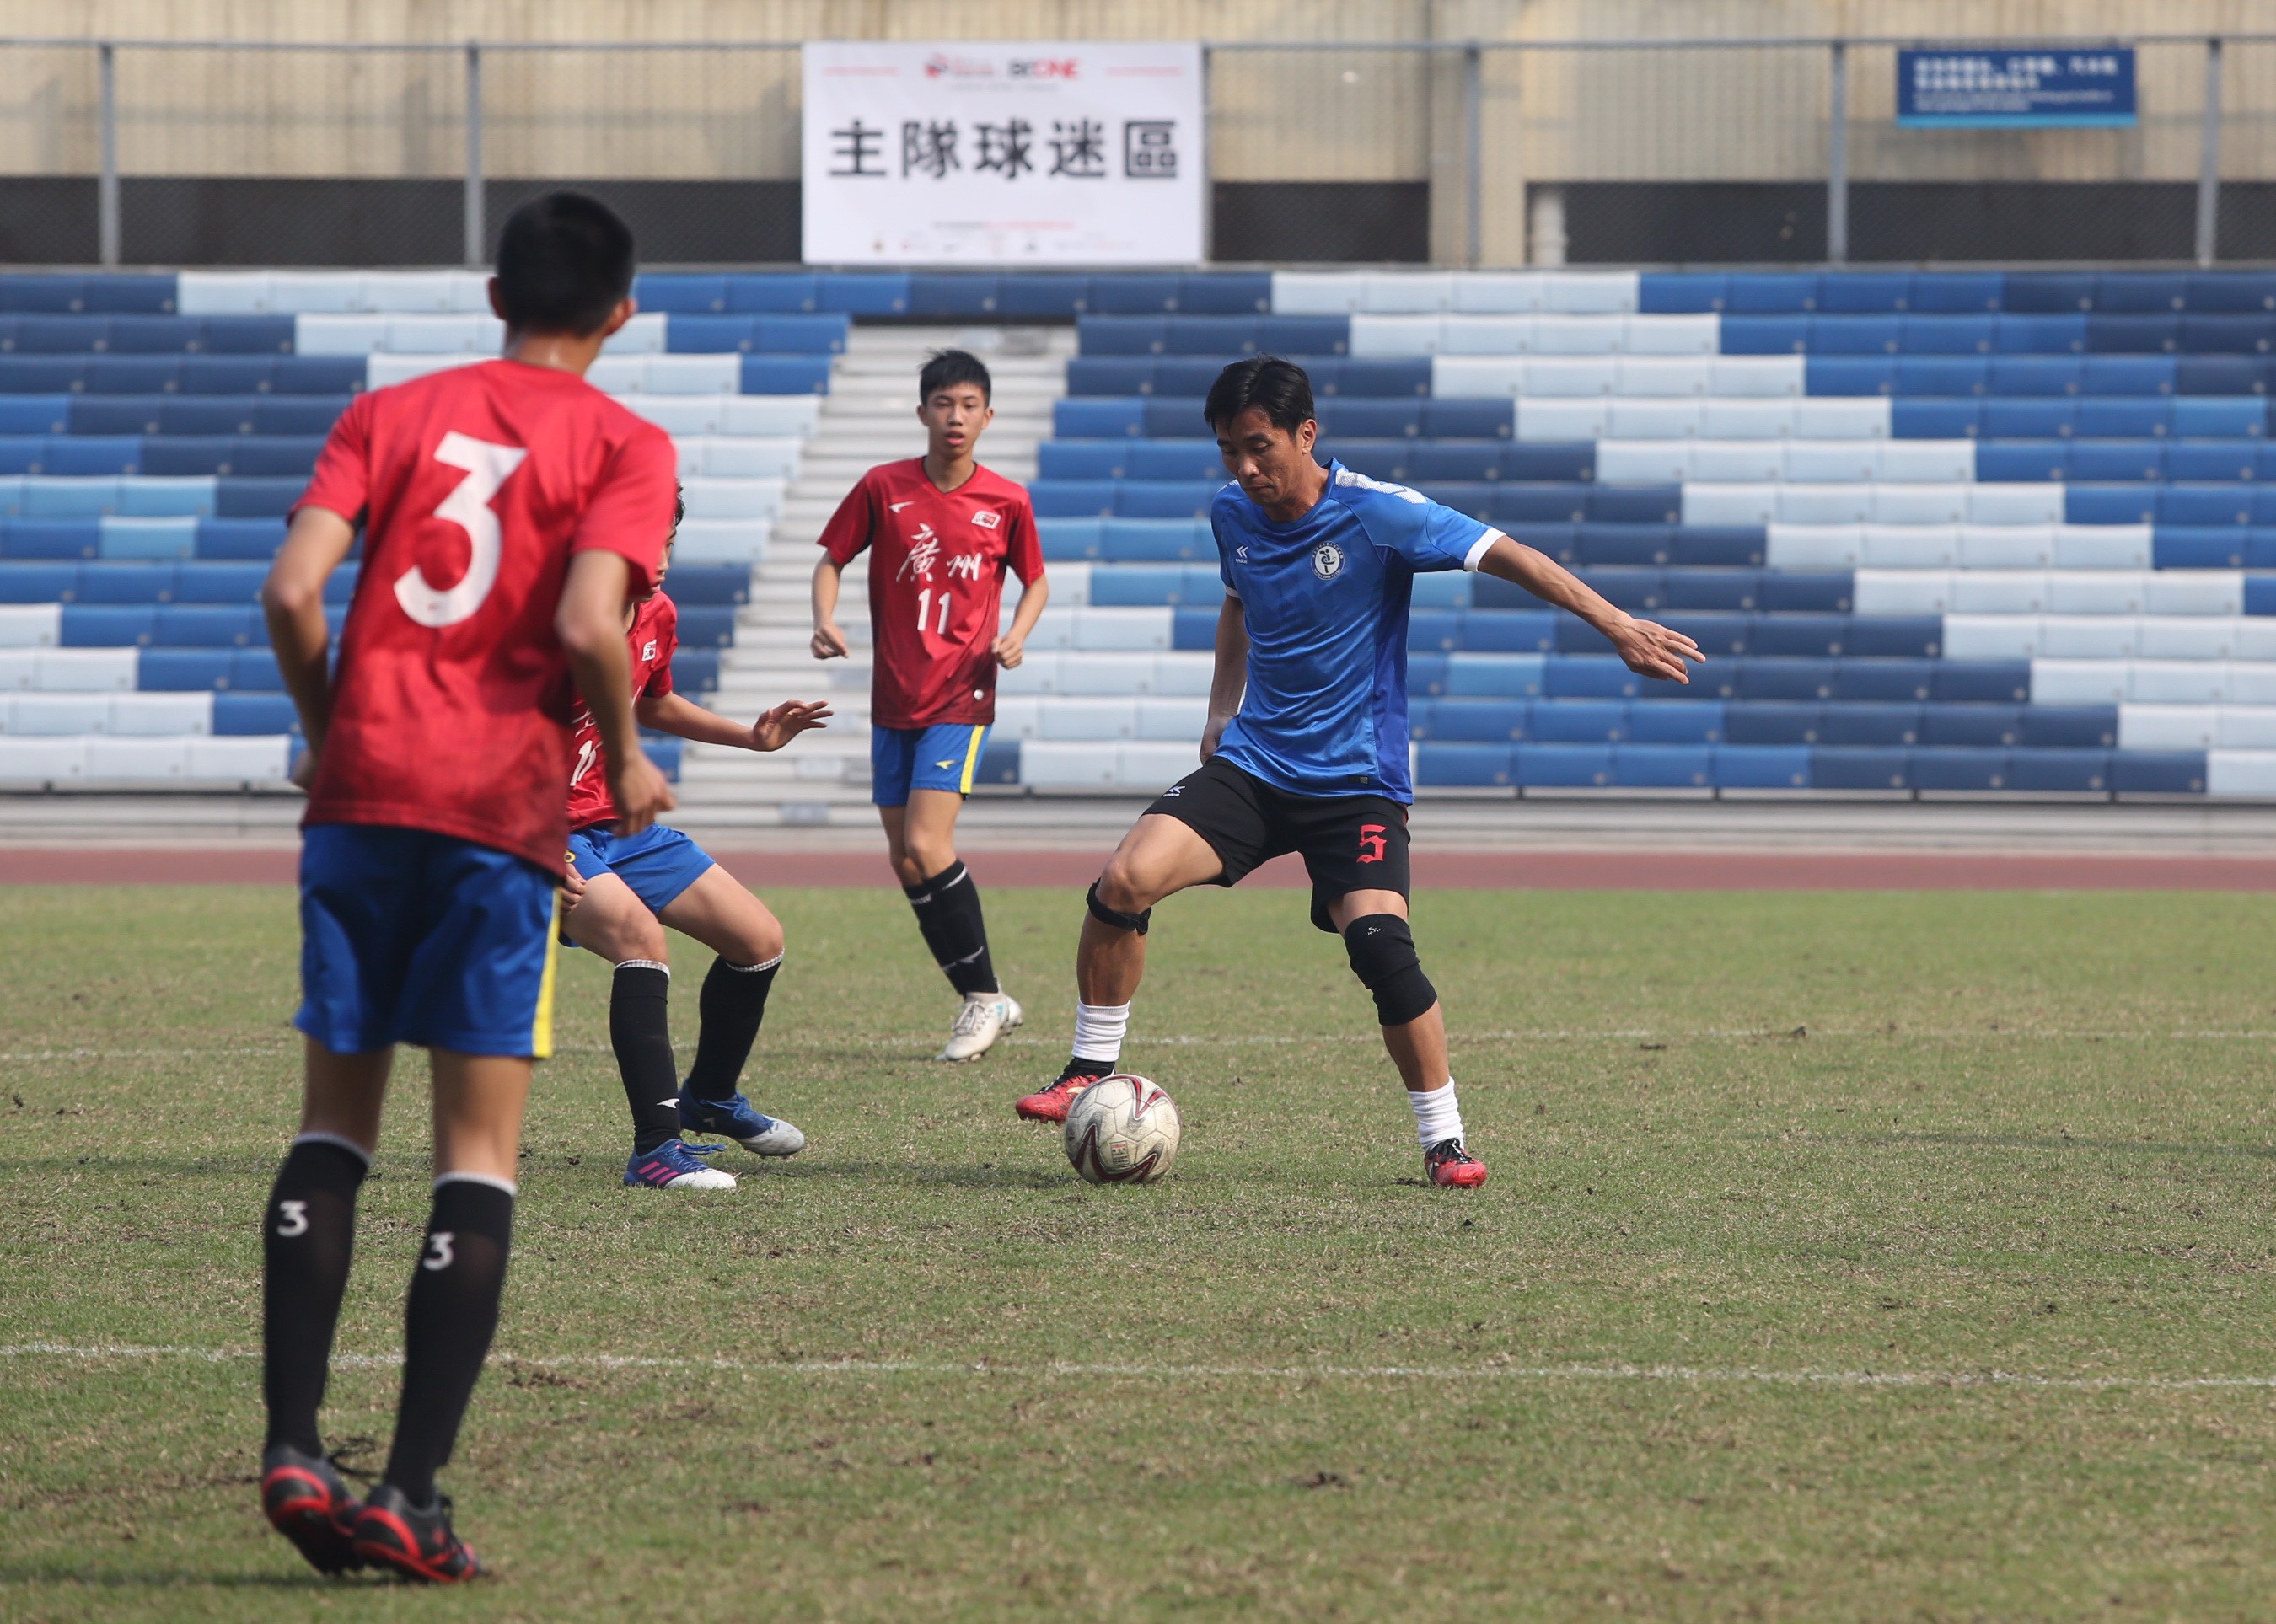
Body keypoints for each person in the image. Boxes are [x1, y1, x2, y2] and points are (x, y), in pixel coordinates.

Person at [255, 191, 677, 1584]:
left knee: (332, 1131)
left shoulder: (390, 412)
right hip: (495, 812)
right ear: (620, 312)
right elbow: (583, 623)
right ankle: (411, 1495)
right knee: (475, 1158)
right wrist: (621, 758)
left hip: (359, 800)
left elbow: (293, 592)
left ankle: (296, 1446)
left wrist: (330, 725)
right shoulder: (624, 440)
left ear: (494, 290)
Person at [1012, 356, 1705, 1189]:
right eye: (1230, 450)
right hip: (1257, 766)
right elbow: (1237, 600)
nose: (1244, 469)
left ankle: (1444, 1141)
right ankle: (1089, 1066)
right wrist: (1219, 708)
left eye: (1260, 447)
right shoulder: (1232, 512)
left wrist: (1616, 623)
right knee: (1126, 878)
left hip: (1356, 784)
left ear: (1308, 434)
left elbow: (1506, 553)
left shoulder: (1378, 514)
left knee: (1381, 947)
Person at [558, 498, 829, 1191]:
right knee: (639, 940)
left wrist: (753, 736)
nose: (662, 558)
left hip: (622, 825)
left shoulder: (657, 612)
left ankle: (710, 1096)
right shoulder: (550, 620)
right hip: (538, 828)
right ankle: (655, 1147)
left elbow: (650, 700)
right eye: (647, 539)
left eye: (669, 540)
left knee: (758, 938)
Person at [811, 348, 1049, 1062]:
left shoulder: (1007, 500)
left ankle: (981, 1000)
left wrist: (1016, 635)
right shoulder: (883, 487)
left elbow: (1035, 581)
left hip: (962, 694)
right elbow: (831, 559)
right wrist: (824, 619)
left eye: (969, 404)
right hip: (895, 698)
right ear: (922, 413)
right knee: (903, 859)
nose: (956, 416)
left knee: (925, 844)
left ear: (988, 415)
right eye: (943, 404)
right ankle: (987, 997)